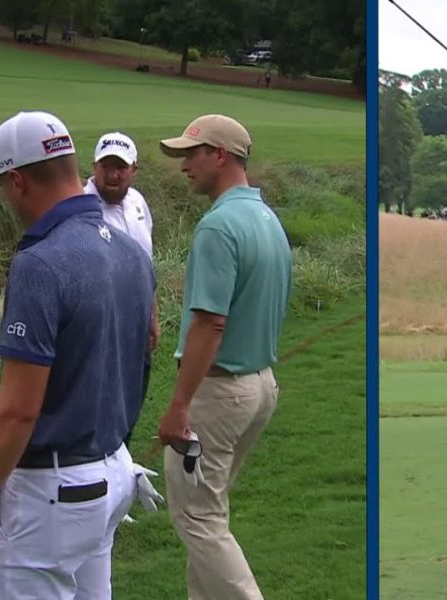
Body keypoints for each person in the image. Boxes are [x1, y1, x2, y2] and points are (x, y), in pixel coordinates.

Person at [0, 111, 158, 599]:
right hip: (111, 469)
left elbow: (18, 412)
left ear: (17, 181)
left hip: (53, 492)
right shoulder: (130, 252)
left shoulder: (40, 262)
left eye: (2, 186)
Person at [158, 114, 292, 599]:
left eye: (191, 155)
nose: (184, 167)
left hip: (219, 393)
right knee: (209, 513)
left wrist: (178, 405)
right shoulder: (267, 219)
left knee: (198, 518)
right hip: (260, 387)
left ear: (220, 155)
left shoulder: (218, 227)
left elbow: (211, 323)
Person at [84, 131, 161, 352]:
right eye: (105, 166)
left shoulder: (137, 201)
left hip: (137, 319)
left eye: (121, 167)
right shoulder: (81, 206)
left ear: (134, 169)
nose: (112, 175)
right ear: (94, 166)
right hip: (99, 325)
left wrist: (152, 314)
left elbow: (146, 264)